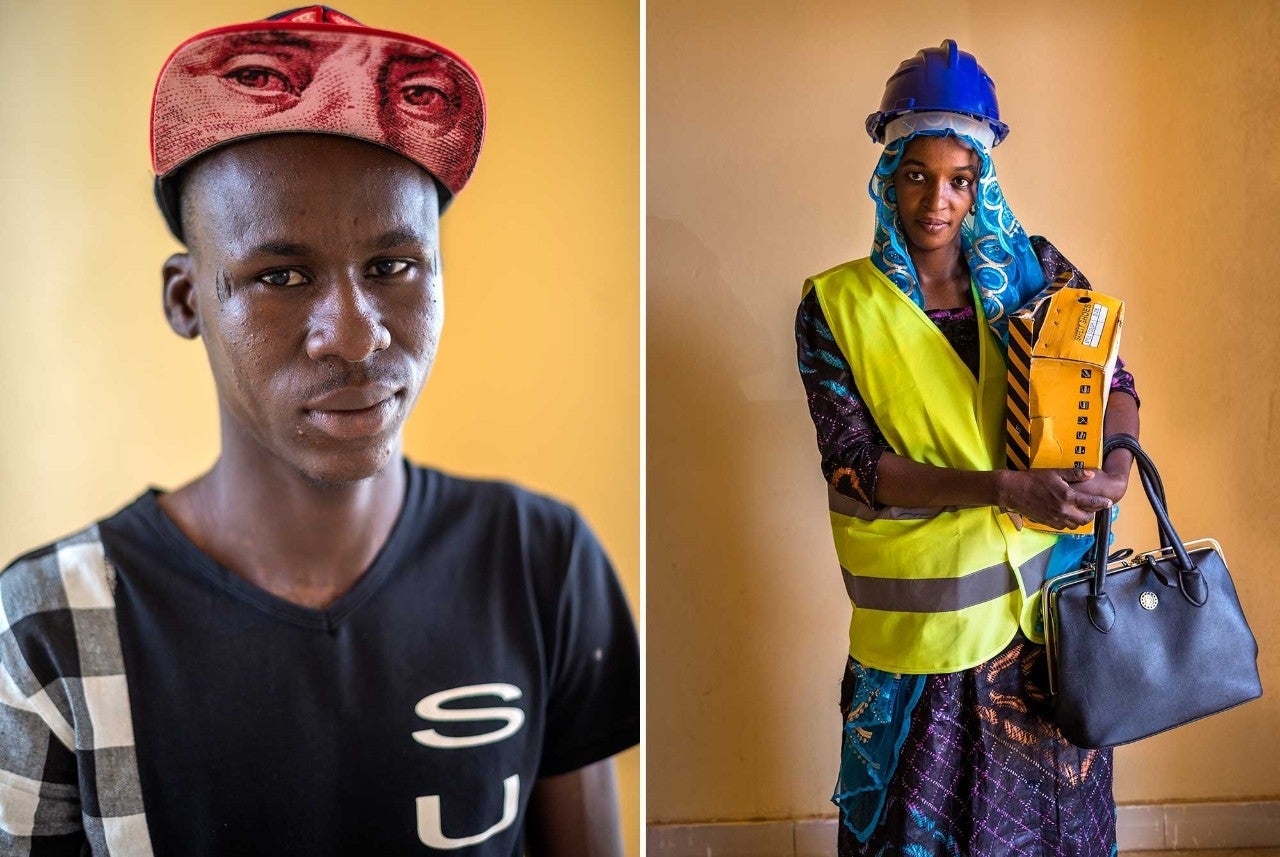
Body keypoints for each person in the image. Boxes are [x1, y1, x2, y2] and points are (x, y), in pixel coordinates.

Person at [0, 8, 638, 856]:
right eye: (282, 275)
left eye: (393, 267)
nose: (356, 332)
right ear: (187, 300)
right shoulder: (52, 625)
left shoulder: (540, 559)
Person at [795, 41, 1140, 856]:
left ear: (984, 179)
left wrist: (1119, 466)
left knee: (1055, 834)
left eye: (959, 178)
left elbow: (1115, 376)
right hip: (925, 649)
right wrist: (1005, 489)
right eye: (917, 175)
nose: (936, 200)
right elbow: (854, 466)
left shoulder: (1039, 274)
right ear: (887, 175)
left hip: (1049, 633)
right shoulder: (836, 307)